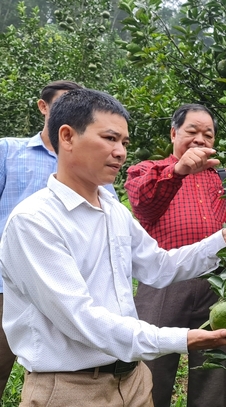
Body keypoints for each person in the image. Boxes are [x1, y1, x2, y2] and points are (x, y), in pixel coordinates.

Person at [0, 89, 226, 406]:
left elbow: (159, 266)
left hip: (134, 382)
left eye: (124, 142)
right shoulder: (34, 222)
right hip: (72, 389)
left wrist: (220, 242)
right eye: (110, 139)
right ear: (68, 137)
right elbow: (81, 319)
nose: (121, 152)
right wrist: (181, 338)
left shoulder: (113, 210)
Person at [0, 80, 119, 396]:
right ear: (43, 107)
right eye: (64, 104)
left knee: (58, 371)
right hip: (7, 284)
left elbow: (112, 222)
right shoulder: (8, 151)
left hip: (69, 286)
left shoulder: (95, 164)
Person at [124, 104, 226, 407]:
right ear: (174, 133)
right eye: (192, 131)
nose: (200, 139)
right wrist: (178, 171)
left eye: (208, 134)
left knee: (214, 371)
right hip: (164, 283)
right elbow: (142, 202)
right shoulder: (149, 170)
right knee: (151, 370)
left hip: (218, 285)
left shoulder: (225, 178)